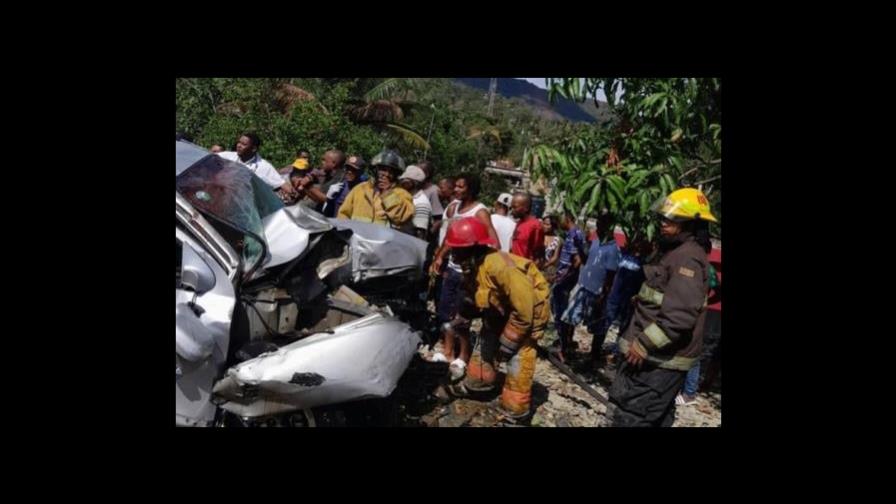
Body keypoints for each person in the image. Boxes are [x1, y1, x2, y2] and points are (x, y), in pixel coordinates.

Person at [608, 187, 717, 427]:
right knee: (656, 418)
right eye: (664, 217)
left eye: (672, 219)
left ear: (690, 224)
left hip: (659, 361)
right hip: (657, 359)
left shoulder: (687, 258)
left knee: (634, 418)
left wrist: (644, 343)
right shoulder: (675, 252)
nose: (663, 223)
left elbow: (679, 316)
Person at [444, 217, 549, 420]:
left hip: (526, 317)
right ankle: (479, 383)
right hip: (501, 312)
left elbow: (524, 312)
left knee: (517, 357)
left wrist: (508, 343)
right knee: (485, 345)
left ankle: (515, 412)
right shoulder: (474, 266)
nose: (453, 253)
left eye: (457, 249)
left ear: (472, 248)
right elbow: (477, 295)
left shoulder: (502, 267)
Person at [429, 173, 500, 369]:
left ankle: (463, 354)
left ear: (471, 189)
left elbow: (494, 243)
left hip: (467, 274)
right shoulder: (453, 208)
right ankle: (448, 350)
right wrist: (440, 256)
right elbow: (450, 237)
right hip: (451, 269)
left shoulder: (480, 212)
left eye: (461, 187)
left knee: (462, 315)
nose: (456, 190)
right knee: (445, 312)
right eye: (456, 186)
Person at [558, 210, 620, 361]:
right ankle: (566, 348)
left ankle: (594, 355)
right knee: (569, 318)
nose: (598, 227)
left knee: (598, 326)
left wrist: (603, 295)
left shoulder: (613, 248)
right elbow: (587, 260)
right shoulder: (595, 240)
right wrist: (581, 246)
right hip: (583, 287)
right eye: (598, 223)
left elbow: (610, 276)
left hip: (597, 292)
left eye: (602, 224)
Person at [337, 149, 414, 228]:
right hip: (355, 238)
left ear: (396, 174)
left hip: (384, 240)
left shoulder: (402, 194)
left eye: (391, 171)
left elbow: (402, 218)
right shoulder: (360, 189)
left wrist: (388, 193)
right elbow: (343, 214)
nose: (385, 174)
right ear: (374, 170)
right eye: (382, 169)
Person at [551, 211, 588, 362]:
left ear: (567, 219)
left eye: (561, 220)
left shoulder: (574, 234)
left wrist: (565, 277)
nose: (559, 224)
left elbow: (577, 260)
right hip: (565, 277)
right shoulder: (574, 233)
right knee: (562, 312)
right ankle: (565, 344)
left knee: (560, 312)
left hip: (566, 279)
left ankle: (563, 347)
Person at [216, 132, 294, 194]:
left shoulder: (264, 167)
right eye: (239, 142)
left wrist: (293, 194)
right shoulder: (226, 156)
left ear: (253, 149)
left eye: (244, 144)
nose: (239, 146)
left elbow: (282, 184)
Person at [398, 165, 433, 240]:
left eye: (406, 181)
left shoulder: (421, 203)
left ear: (416, 183)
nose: (403, 183)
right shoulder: (406, 197)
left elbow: (420, 234)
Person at [510, 192, 545, 263]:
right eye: (511, 207)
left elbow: (538, 251)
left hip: (525, 269)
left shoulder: (535, 225)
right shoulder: (519, 223)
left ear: (526, 208)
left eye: (515, 207)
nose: (512, 210)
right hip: (514, 266)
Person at [541, 215, 563, 283]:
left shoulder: (557, 240)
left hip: (547, 270)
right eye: (543, 223)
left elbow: (555, 257)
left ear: (553, 226)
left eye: (547, 224)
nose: (544, 226)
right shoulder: (539, 234)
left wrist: (545, 265)